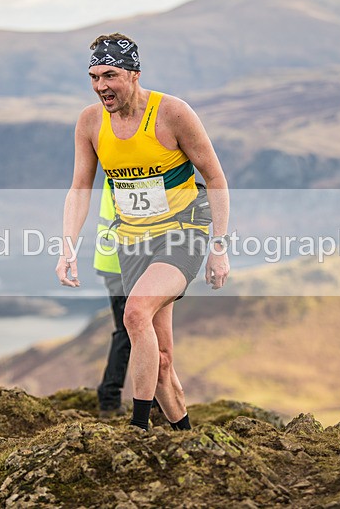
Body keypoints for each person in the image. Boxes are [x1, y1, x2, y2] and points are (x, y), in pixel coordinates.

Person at [56, 33, 231, 431]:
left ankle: (138, 428)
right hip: (132, 242)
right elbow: (79, 188)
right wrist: (67, 248)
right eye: (94, 76)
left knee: (134, 313)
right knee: (161, 358)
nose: (101, 86)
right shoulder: (89, 122)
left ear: (134, 74)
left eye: (111, 75)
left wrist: (219, 247)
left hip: (182, 232)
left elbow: (216, 177)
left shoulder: (172, 113)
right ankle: (185, 436)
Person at [94, 177, 131, 418]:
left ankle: (109, 399)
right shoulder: (129, 165)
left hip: (112, 259)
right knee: (129, 330)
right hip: (122, 261)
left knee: (127, 330)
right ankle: (109, 400)